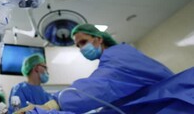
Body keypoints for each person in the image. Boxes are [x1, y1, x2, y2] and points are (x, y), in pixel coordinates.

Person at [19, 23, 174, 113]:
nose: (81, 48)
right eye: (78, 45)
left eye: (83, 42)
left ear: (98, 39)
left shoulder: (120, 55)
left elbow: (100, 87)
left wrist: (52, 105)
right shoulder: (115, 56)